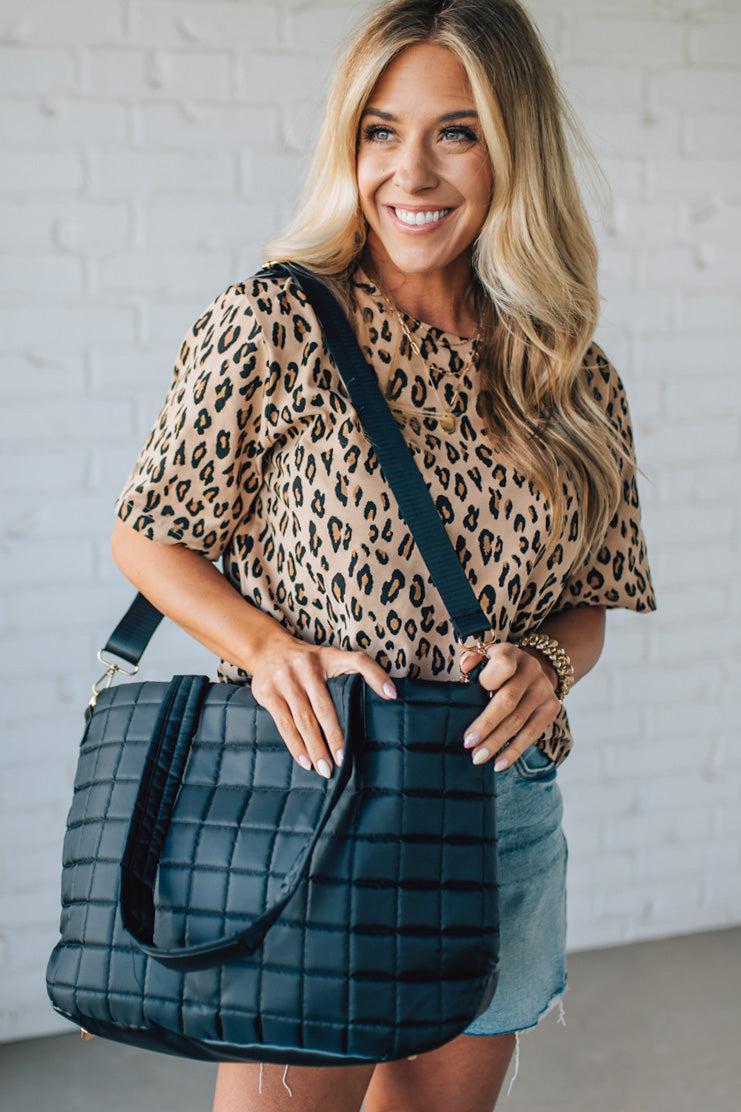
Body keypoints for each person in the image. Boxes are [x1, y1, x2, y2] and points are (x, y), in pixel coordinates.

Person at [110, 1, 657, 1109]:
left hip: (501, 802)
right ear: (347, 143)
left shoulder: (567, 370)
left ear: (515, 146)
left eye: (457, 131)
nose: (413, 171)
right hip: (321, 793)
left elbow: (593, 598)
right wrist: (266, 649)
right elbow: (148, 531)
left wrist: (549, 662)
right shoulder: (276, 321)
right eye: (379, 129)